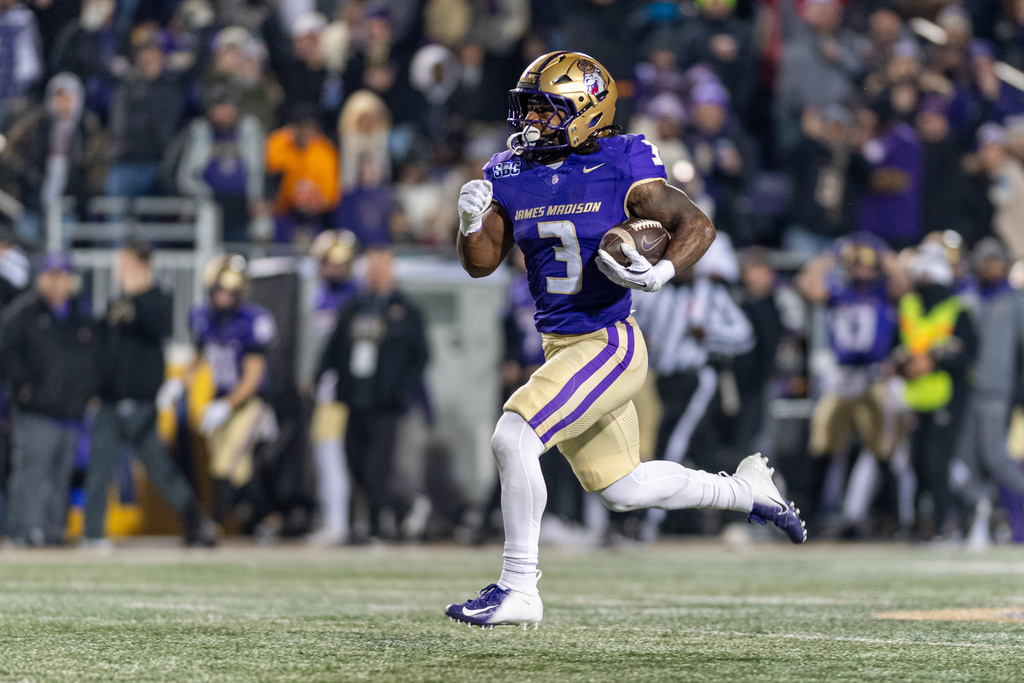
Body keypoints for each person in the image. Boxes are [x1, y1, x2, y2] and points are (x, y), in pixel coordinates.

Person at [445, 51, 805, 629]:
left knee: (514, 438)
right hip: (560, 344)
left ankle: (519, 588)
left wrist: (658, 274)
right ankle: (746, 491)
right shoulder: (508, 171)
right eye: (528, 108)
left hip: (608, 341)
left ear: (589, 110)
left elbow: (697, 225)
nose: (532, 121)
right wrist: (468, 225)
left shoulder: (621, 160)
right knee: (625, 488)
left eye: (547, 108)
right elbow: (481, 264)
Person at [84, 240, 217, 548]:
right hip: (110, 401)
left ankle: (196, 524)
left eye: (126, 265)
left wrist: (132, 305)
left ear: (143, 266)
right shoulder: (116, 304)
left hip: (142, 402)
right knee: (100, 469)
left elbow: (155, 322)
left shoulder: (158, 300)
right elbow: (102, 348)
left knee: (160, 468)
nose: (120, 272)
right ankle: (92, 534)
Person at [795, 233, 910, 533]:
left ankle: (890, 519)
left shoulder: (883, 291)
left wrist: (881, 250)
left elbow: (904, 284)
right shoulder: (840, 291)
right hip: (843, 375)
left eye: (866, 265)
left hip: (874, 375)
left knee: (883, 450)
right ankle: (810, 516)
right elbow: (806, 286)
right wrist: (831, 255)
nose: (861, 270)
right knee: (822, 444)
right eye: (855, 264)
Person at [317, 246, 429, 543]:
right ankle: (402, 509)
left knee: (377, 467)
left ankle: (379, 527)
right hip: (355, 395)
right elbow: (334, 347)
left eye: (381, 268)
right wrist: (320, 376)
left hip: (386, 401)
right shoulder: (354, 307)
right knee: (354, 461)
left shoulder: (405, 309)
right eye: (371, 268)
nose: (375, 274)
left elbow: (420, 356)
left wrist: (402, 389)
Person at [173, 254, 278, 530]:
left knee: (225, 463)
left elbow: (253, 376)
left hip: (249, 402)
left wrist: (227, 406)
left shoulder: (251, 321)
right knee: (238, 471)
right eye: (219, 290)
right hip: (222, 399)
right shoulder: (203, 318)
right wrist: (177, 383)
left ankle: (214, 523)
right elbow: (198, 358)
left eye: (229, 290)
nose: (223, 296)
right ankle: (267, 516)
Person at [0, 252, 98, 546]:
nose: (57, 283)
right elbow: (6, 350)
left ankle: (54, 531)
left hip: (69, 410)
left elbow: (91, 359)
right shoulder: (25, 312)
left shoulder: (79, 315)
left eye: (63, 276)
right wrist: (23, 386)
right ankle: (23, 530)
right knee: (30, 473)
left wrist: (84, 394)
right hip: (36, 409)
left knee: (60, 476)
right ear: (41, 278)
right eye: (52, 276)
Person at [891, 242, 976, 540]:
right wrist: (906, 366)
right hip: (917, 395)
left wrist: (934, 361)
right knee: (917, 464)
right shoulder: (909, 306)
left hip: (947, 394)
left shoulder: (956, 310)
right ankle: (923, 523)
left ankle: (949, 520)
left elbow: (968, 353)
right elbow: (895, 348)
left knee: (937, 462)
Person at [306, 229, 359, 546]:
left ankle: (337, 522)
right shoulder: (320, 294)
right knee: (329, 453)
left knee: (331, 453)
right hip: (330, 384)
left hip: (343, 386)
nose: (333, 269)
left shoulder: (351, 297)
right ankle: (335, 519)